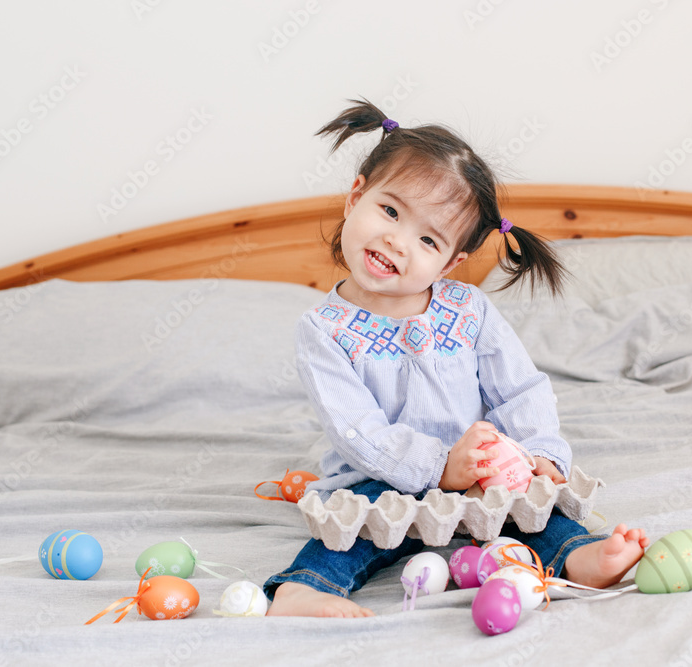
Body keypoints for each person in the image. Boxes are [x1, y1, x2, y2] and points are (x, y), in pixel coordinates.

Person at [264, 99, 649, 618]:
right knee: (358, 524)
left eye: (427, 239)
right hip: (386, 475)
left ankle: (578, 558)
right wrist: (438, 467)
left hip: (481, 476)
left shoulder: (467, 310)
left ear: (452, 261)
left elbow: (519, 388)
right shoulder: (325, 331)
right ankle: (303, 587)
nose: (396, 240)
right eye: (390, 211)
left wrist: (539, 454)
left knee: (534, 509)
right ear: (356, 196)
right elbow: (358, 431)